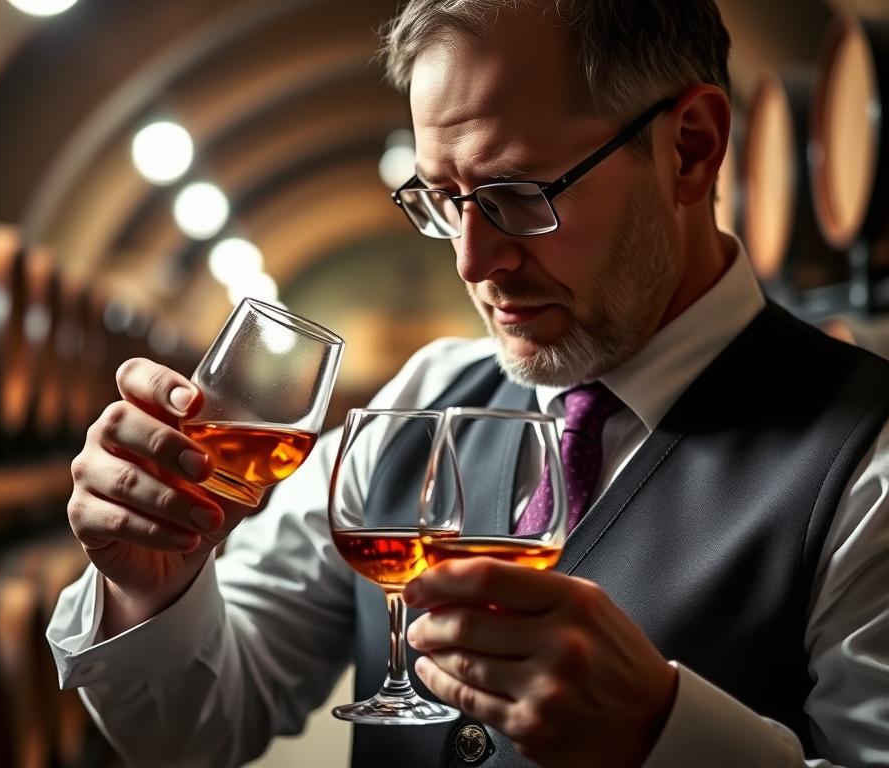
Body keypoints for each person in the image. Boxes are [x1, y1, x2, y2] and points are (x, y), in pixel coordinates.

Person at [47, 1, 889, 766]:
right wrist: (147, 588)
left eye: (518, 195)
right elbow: (197, 729)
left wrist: (663, 736)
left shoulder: (866, 459)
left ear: (691, 150)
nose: (473, 261)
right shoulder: (421, 396)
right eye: (444, 199)